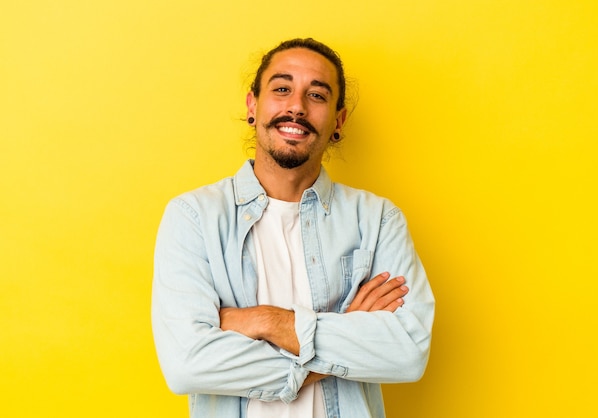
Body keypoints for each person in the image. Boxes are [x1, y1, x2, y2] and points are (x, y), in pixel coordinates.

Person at [151, 38, 435, 418]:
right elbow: (187, 364)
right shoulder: (194, 217)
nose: (296, 107)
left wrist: (265, 321)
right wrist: (348, 334)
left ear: (338, 120)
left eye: (316, 95)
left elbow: (407, 353)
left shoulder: (378, 220)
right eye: (282, 89)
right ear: (253, 105)